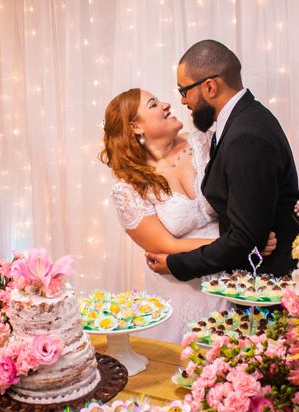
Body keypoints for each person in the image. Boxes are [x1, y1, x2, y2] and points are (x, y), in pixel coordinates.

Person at [101, 89, 276, 343]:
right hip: (183, 289)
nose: (166, 104)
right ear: (136, 126)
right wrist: (246, 242)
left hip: (233, 278)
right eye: (153, 104)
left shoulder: (206, 142)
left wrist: (248, 235)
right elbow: (166, 247)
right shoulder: (129, 188)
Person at [145, 40, 299, 280]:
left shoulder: (245, 135)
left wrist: (177, 264)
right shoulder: (242, 121)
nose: (183, 101)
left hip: (266, 285)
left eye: (184, 91)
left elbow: (245, 239)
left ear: (210, 87)